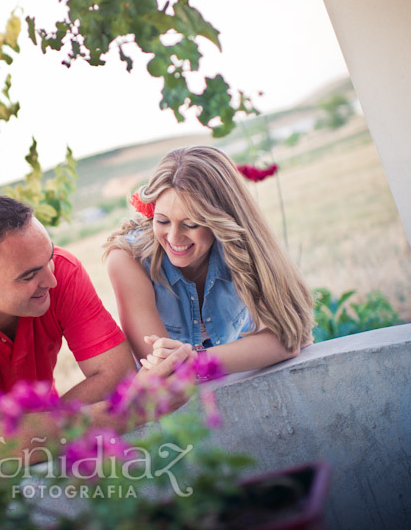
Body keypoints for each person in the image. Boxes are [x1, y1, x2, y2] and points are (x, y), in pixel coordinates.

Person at [0, 195, 192, 478]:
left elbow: (117, 373)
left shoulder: (61, 270)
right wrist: (131, 411)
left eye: (48, 257)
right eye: (28, 276)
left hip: (41, 418)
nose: (51, 279)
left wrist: (28, 432)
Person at [104, 146, 314, 376]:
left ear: (221, 219)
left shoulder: (240, 242)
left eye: (191, 223)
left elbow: (289, 337)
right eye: (162, 221)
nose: (174, 238)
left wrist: (193, 362)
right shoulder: (127, 258)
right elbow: (163, 372)